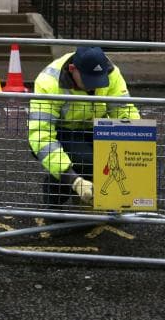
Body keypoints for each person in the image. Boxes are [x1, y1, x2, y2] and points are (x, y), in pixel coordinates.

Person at [27, 46, 140, 205]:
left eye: (98, 80)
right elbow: (40, 134)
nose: (93, 87)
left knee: (110, 159)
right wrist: (74, 180)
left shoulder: (111, 72)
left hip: (94, 128)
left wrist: (139, 141)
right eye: (88, 80)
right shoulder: (49, 82)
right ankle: (53, 201)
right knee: (87, 161)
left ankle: (90, 199)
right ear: (72, 69)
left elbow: (124, 111)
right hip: (63, 132)